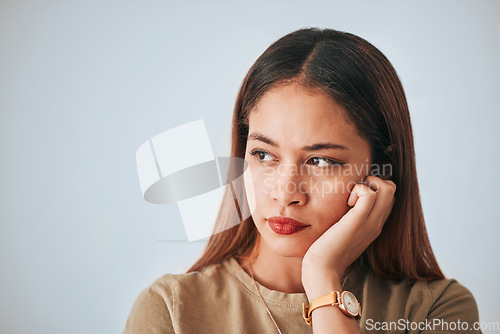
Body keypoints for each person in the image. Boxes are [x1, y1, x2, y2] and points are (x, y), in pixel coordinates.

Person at [123, 28, 481, 333]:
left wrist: (322, 275)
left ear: (377, 170)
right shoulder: (172, 311)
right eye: (263, 154)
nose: (285, 193)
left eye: (321, 161)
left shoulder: (435, 311)